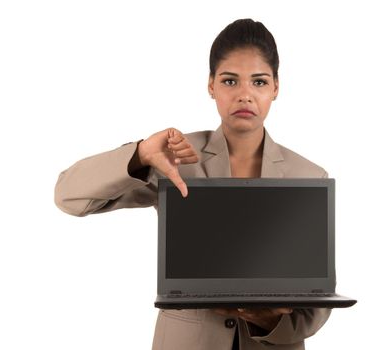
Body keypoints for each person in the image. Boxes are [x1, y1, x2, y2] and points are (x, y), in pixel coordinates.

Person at [55, 18, 332, 350]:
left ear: (276, 87)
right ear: (211, 85)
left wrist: (271, 321)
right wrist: (141, 154)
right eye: (230, 81)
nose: (245, 95)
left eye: (258, 82)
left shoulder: (309, 175)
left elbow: (317, 298)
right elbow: (69, 197)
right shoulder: (175, 159)